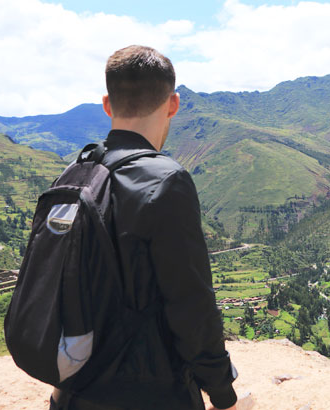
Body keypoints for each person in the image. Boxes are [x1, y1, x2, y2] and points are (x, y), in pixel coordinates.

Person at [49, 45, 238, 410]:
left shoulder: (76, 171)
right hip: (149, 392)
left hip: (70, 388)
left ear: (107, 104)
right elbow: (191, 302)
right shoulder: (167, 180)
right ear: (173, 104)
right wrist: (221, 389)